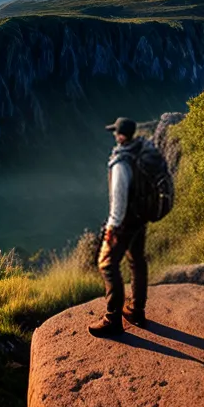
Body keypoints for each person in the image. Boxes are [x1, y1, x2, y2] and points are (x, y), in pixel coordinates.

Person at [89, 117, 149, 339]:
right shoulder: (141, 152)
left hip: (124, 223)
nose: (114, 135)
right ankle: (136, 311)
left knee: (106, 264)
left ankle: (112, 319)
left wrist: (112, 227)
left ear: (121, 135)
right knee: (136, 261)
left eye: (116, 132)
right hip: (140, 219)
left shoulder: (121, 161)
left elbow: (119, 198)